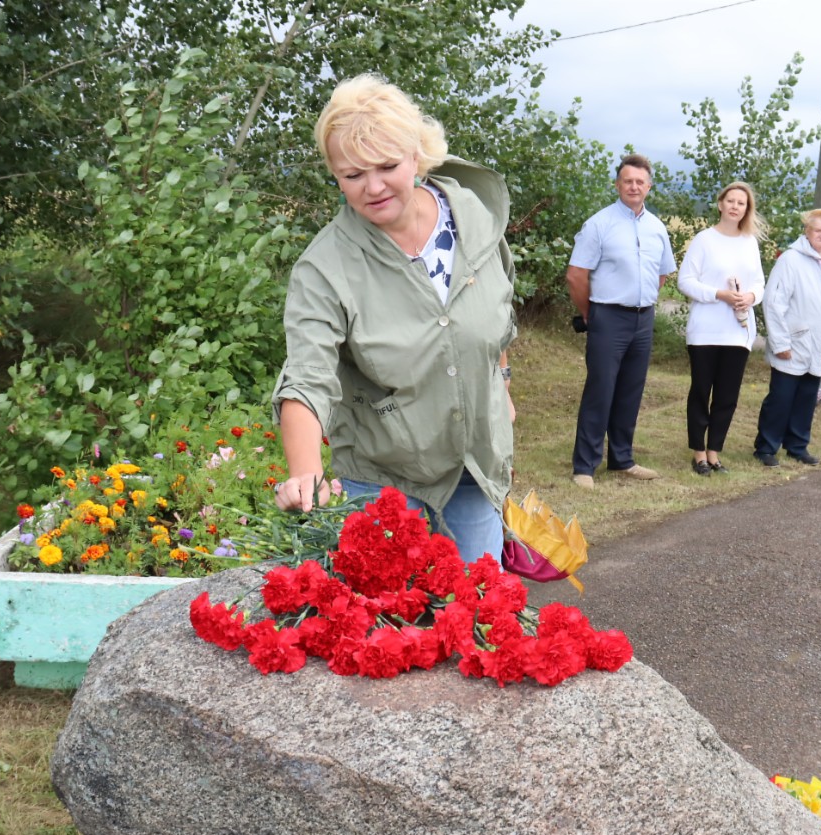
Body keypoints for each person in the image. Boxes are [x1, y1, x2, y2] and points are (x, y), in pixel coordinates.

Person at [270, 74, 517, 562]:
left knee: (479, 619)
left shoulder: (477, 222)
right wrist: (305, 473)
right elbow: (306, 377)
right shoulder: (325, 268)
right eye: (352, 174)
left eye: (387, 166)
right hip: (382, 478)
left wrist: (502, 381)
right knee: (393, 627)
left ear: (417, 155)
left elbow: (496, 315)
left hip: (476, 467)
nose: (373, 187)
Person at [568, 154, 677, 488]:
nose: (634, 186)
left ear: (649, 186)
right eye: (627, 181)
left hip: (643, 319)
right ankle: (584, 466)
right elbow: (576, 275)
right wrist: (591, 314)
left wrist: (642, 301)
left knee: (631, 390)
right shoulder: (599, 224)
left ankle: (622, 459)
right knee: (600, 390)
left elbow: (662, 273)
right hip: (607, 316)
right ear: (618, 185)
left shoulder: (657, 227)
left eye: (640, 181)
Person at [677, 181, 766, 475]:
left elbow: (759, 284)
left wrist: (750, 297)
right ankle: (698, 452)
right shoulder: (704, 240)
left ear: (746, 209)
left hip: (738, 331)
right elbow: (685, 281)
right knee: (701, 391)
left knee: (727, 396)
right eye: (730, 200)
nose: (735, 206)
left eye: (741, 203)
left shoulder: (750, 242)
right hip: (705, 329)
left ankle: (715, 451)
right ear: (720, 204)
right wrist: (720, 294)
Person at [753, 208, 821, 467]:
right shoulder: (791, 260)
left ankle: (797, 445)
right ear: (807, 232)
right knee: (781, 399)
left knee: (807, 398)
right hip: (794, 343)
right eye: (817, 230)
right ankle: (766, 447)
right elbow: (774, 303)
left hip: (820, 345)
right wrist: (781, 343)